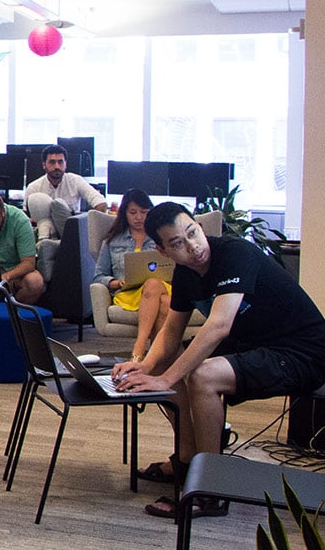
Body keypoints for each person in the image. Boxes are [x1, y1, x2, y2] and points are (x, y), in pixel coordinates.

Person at [111, 202, 325, 518]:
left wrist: (166, 379)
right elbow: (171, 331)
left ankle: (210, 490)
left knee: (202, 375)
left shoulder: (235, 254)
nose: (193, 246)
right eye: (177, 244)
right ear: (163, 251)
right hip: (256, 345)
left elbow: (219, 326)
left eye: (192, 233)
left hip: (302, 353)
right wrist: (145, 364)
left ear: (199, 226)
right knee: (162, 364)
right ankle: (185, 462)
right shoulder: (185, 274)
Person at [93, 189, 170, 364]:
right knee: (164, 303)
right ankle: (160, 362)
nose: (139, 218)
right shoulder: (112, 241)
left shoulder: (161, 239)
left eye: (144, 212)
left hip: (162, 288)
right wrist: (117, 282)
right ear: (124, 214)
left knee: (153, 284)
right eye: (133, 212)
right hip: (129, 293)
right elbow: (98, 276)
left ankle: (139, 350)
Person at [24, 144, 107, 240]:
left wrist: (86, 226)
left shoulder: (75, 181)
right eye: (52, 162)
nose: (57, 166)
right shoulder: (34, 188)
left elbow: (101, 204)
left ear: (65, 164)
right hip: (44, 234)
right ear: (44, 165)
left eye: (60, 162)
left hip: (71, 235)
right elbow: (26, 219)